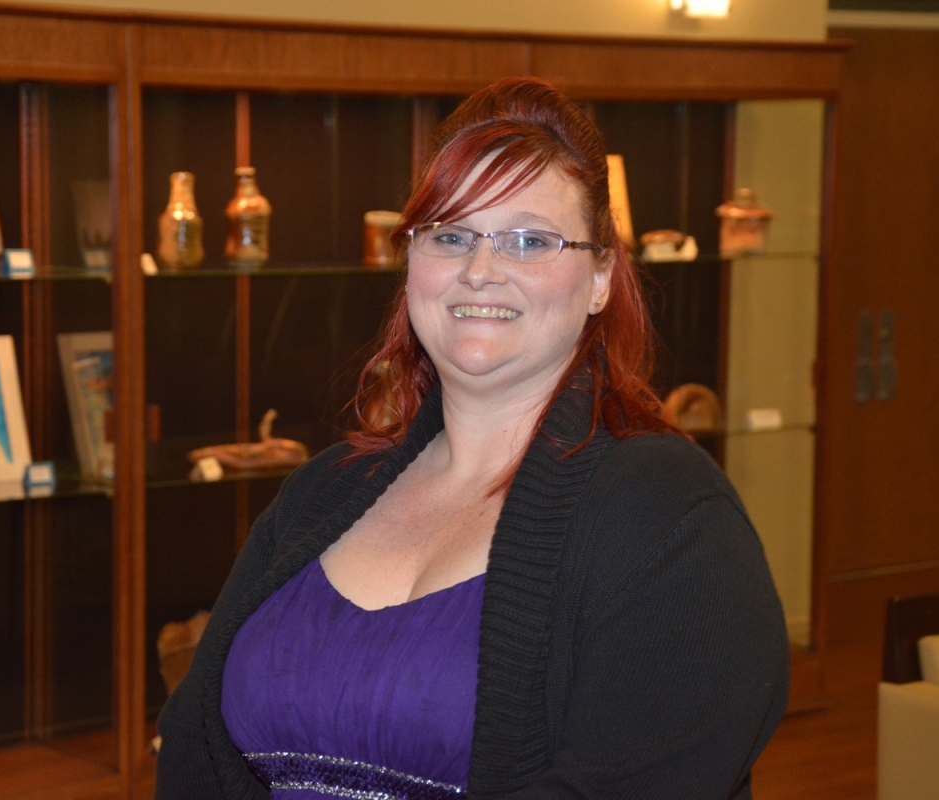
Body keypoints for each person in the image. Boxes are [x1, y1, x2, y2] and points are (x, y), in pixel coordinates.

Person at [155, 77, 789, 800]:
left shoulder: (675, 519)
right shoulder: (322, 490)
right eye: (451, 234)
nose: (480, 269)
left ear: (600, 279)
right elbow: (194, 742)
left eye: (528, 239)